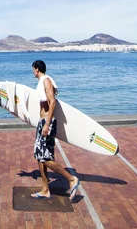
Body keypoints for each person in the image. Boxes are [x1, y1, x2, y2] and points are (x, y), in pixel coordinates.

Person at [31, 60, 80, 201]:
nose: (32, 72)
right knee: (40, 157)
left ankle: (71, 179)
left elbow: (52, 102)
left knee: (45, 158)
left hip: (47, 122)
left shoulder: (46, 81)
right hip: (43, 122)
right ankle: (45, 189)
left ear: (37, 69)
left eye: (33, 69)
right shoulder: (42, 81)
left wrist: (47, 124)